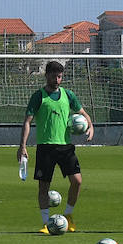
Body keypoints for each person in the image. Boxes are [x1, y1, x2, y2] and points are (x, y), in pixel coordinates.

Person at [18, 60, 93, 234]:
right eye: (54, 76)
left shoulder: (69, 95)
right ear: (47, 75)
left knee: (77, 181)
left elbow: (84, 114)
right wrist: (22, 146)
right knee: (43, 186)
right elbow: (27, 122)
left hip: (66, 147)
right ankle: (46, 223)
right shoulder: (39, 96)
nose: (57, 80)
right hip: (45, 147)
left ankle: (68, 216)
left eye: (59, 76)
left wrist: (90, 127)